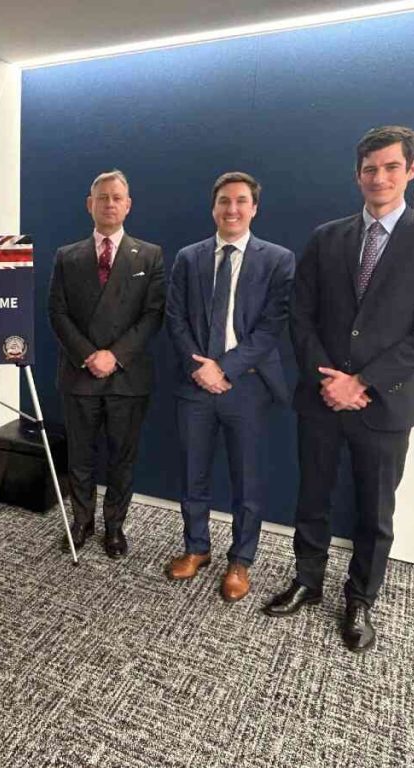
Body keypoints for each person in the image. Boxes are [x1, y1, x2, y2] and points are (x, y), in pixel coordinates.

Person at [264, 126, 414, 652]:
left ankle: (360, 598)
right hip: (322, 398)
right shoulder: (326, 238)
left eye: (391, 167)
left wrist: (363, 382)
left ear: (410, 170)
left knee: (375, 511)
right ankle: (307, 580)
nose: (380, 177)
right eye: (371, 169)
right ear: (358, 175)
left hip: (385, 404)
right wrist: (329, 381)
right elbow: (300, 315)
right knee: (313, 496)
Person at [165, 172, 295, 600]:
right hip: (195, 383)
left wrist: (225, 368)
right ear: (213, 207)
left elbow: (271, 326)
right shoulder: (189, 257)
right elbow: (176, 318)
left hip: (248, 386)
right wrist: (200, 368)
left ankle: (240, 561)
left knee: (248, 480)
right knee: (191, 473)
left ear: (254, 208)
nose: (232, 209)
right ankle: (196, 548)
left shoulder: (277, 259)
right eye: (224, 201)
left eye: (241, 201)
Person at [47, 170, 166, 558]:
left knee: (121, 457)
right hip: (79, 375)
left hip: (127, 376)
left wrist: (114, 356)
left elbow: (152, 315)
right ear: (90, 204)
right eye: (102, 197)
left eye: (117, 197)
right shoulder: (68, 256)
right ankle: (82, 521)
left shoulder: (150, 255)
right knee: (79, 455)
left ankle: (115, 526)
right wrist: (89, 355)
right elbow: (57, 312)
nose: (110, 204)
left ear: (128, 205)